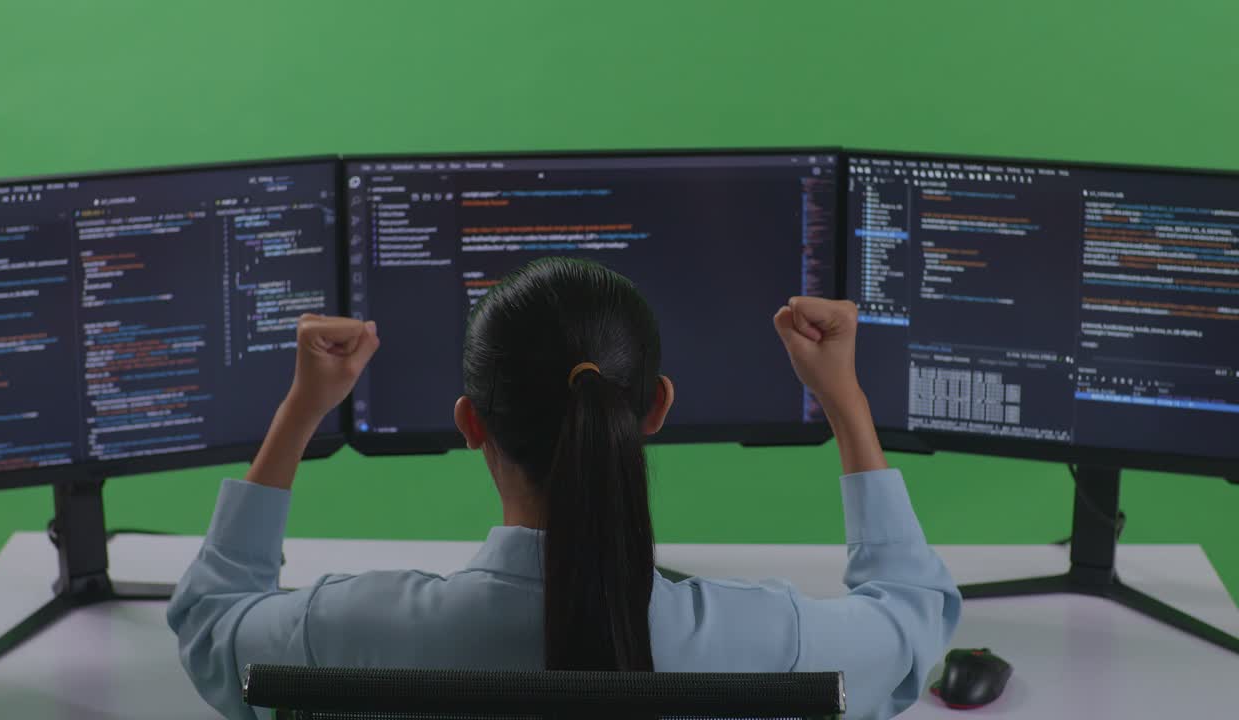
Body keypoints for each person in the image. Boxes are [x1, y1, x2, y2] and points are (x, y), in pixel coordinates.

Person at [168, 257, 961, 720]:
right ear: (654, 408)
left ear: (471, 423)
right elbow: (911, 622)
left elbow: (210, 622)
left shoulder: (345, 629)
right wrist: (844, 402)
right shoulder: (760, 639)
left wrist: (301, 411)